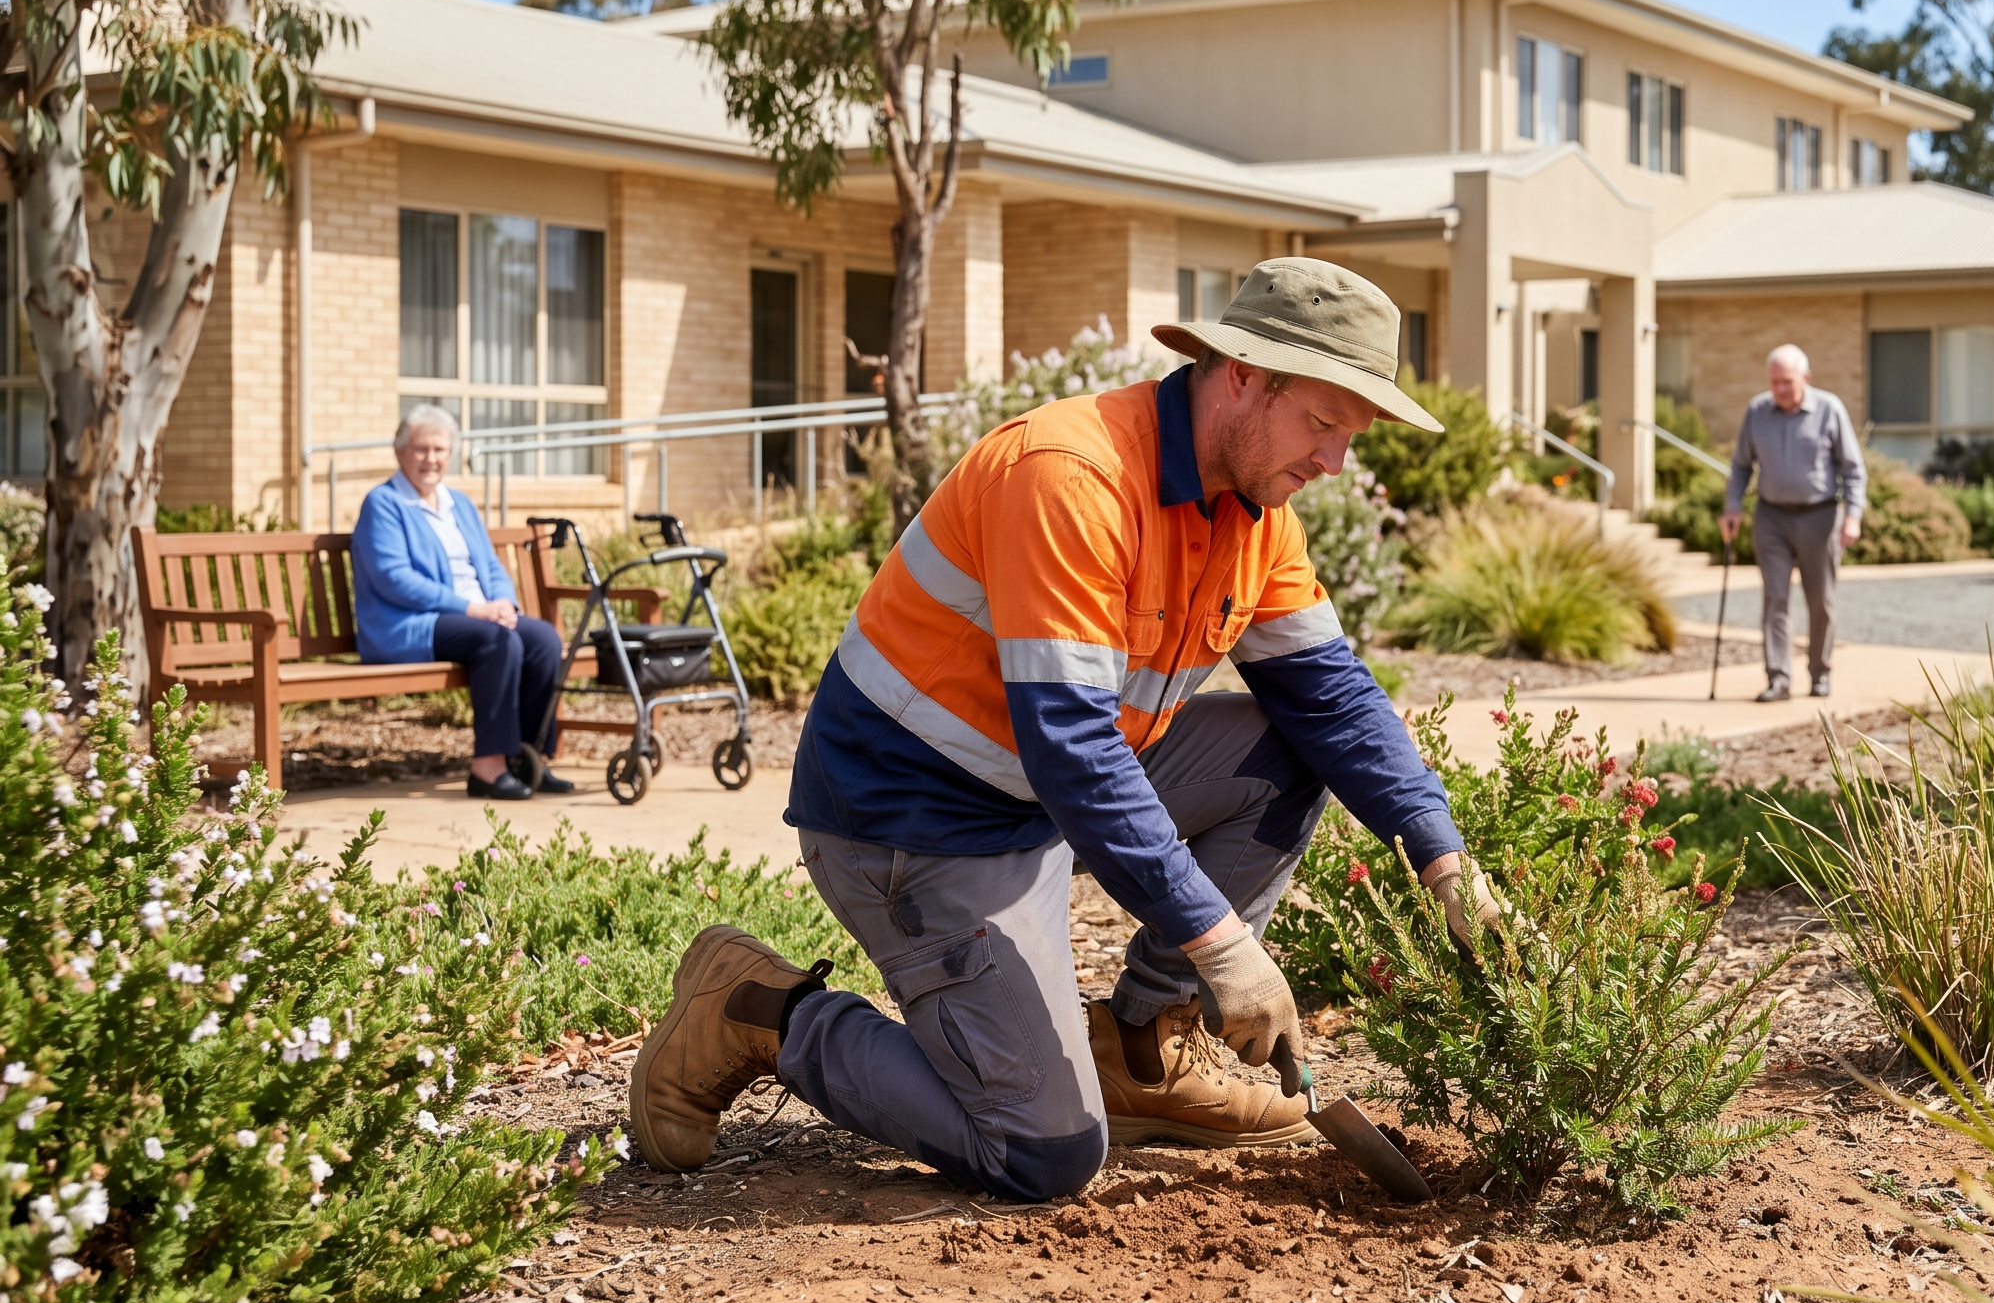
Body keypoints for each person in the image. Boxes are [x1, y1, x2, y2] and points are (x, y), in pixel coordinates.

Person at [624, 258, 1502, 1202]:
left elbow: (1330, 696)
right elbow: (1074, 748)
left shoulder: (1254, 508)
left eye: (1350, 435)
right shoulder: (1073, 476)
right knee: (1042, 1155)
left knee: (1286, 752)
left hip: (1042, 794)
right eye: (1323, 424)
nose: (1334, 461)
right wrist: (1219, 943)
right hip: (913, 819)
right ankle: (761, 1011)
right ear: (1244, 375)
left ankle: (1141, 1049)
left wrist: (1443, 858)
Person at [349, 405, 570, 801]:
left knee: (543, 641)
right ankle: (488, 767)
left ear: (450, 454)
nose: (430, 459)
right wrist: (472, 609)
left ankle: (528, 758)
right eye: (420, 449)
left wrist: (503, 601)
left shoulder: (459, 504)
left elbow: (489, 563)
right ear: (399, 453)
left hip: (473, 618)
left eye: (439, 450)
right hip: (409, 624)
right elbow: (394, 579)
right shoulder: (383, 504)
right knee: (498, 641)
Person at [1718, 345, 1866, 703]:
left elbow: (1852, 468)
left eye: (1787, 381)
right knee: (1775, 599)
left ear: (1805, 378)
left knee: (1821, 601)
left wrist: (1853, 514)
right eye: (1774, 382)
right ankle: (1778, 678)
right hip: (1772, 517)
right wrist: (1733, 506)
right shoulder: (1757, 411)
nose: (1780, 389)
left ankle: (1820, 673)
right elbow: (1740, 466)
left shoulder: (1829, 409)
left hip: (1820, 516)